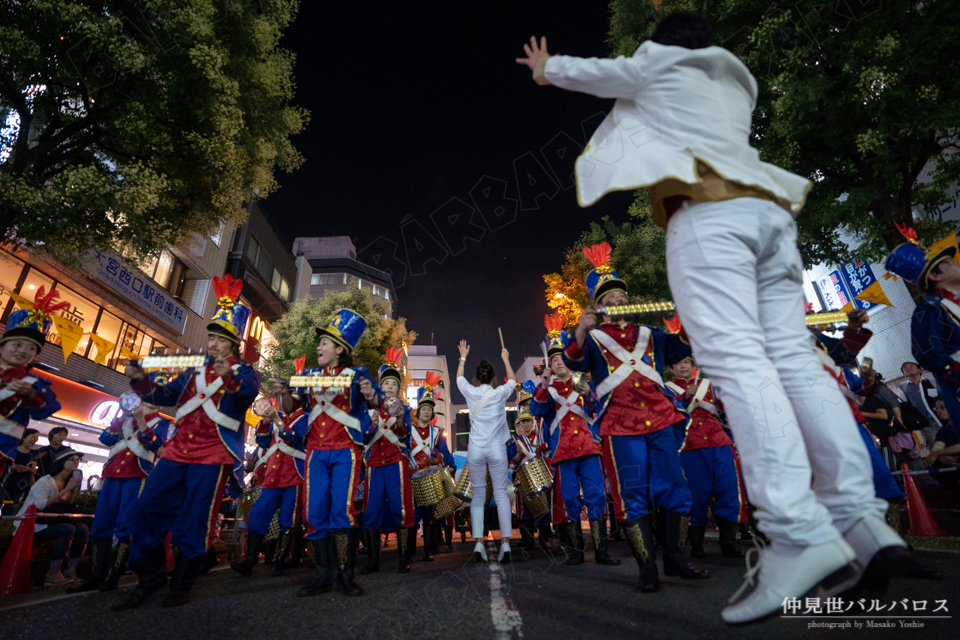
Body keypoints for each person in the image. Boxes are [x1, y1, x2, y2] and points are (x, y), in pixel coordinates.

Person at [518, 12, 923, 623]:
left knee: (742, 369)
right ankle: (863, 523)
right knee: (794, 364)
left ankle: (796, 536)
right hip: (770, 217)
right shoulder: (736, 81)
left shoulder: (661, 63)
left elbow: (608, 74)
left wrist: (550, 70)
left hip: (710, 219)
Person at [558, 242, 706, 593]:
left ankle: (677, 557)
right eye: (608, 299)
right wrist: (581, 329)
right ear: (596, 306)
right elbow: (574, 361)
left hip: (662, 422)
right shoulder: (591, 340)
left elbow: (681, 349)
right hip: (619, 427)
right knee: (632, 494)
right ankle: (647, 566)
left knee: (675, 488)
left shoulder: (651, 335)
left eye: (621, 298)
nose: (617, 303)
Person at [114, 275, 259, 610]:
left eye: (220, 338)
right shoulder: (192, 370)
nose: (211, 342)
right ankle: (149, 578)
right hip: (177, 450)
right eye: (210, 336)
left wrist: (228, 372)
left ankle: (181, 585)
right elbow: (163, 394)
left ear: (234, 343)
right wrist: (140, 382)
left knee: (196, 519)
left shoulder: (245, 371)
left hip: (213, 453)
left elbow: (246, 394)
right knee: (147, 509)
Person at [288, 308, 379, 597]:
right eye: (320, 343)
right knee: (314, 512)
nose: (319, 347)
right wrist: (282, 391)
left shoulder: (357, 374)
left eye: (325, 342)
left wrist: (370, 394)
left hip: (345, 450)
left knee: (342, 511)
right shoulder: (309, 375)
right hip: (315, 450)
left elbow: (376, 400)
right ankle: (322, 576)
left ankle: (346, 575)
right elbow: (291, 406)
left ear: (340, 348)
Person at [531, 312, 618, 567]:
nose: (559, 363)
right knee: (569, 499)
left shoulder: (583, 382)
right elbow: (537, 412)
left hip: (589, 448)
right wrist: (543, 385)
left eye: (562, 358)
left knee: (596, 496)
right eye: (555, 359)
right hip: (563, 452)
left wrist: (588, 394)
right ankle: (575, 551)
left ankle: (601, 550)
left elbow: (597, 410)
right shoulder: (547, 390)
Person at [69, 400, 168, 593]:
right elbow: (105, 438)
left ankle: (113, 577)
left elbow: (156, 445)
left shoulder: (161, 423)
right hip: (113, 474)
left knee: (125, 526)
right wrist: (122, 417)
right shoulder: (125, 418)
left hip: (137, 475)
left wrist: (140, 421)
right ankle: (96, 577)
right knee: (101, 524)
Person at [666, 356, 746, 559]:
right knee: (697, 495)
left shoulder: (709, 385)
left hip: (719, 443)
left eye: (687, 362)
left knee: (728, 490)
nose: (683, 366)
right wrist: (683, 399)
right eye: (679, 362)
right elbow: (663, 415)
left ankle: (728, 542)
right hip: (689, 446)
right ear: (671, 368)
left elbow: (729, 409)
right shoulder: (667, 389)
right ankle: (697, 544)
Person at [231, 383, 306, 578]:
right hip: (273, 476)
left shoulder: (305, 419)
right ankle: (250, 560)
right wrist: (265, 420)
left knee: (288, 520)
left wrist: (274, 419)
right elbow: (263, 442)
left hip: (295, 475)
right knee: (257, 515)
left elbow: (294, 438)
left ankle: (281, 561)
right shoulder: (276, 417)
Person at [457, 340, 517, 563]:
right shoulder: (500, 392)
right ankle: (506, 544)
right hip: (497, 450)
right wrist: (506, 359)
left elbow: (458, 379)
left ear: (477, 377)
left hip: (476, 450)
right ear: (492, 378)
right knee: (501, 495)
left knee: (478, 497)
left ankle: (479, 544)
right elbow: (512, 380)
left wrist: (463, 356)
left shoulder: (470, 392)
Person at [0, 287, 65, 479]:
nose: (23, 351)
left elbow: (46, 409)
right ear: (2, 346)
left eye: (31, 348)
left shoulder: (34, 383)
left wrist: (29, 393)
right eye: (17, 344)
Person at [359, 348, 414, 575]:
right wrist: (371, 423)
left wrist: (400, 418)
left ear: (398, 388)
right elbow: (363, 437)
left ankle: (404, 559)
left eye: (393, 384)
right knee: (371, 511)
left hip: (396, 462)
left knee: (400, 509)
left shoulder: (405, 409)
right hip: (373, 464)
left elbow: (404, 436)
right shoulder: (370, 410)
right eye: (386, 383)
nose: (389, 386)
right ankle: (373, 560)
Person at [16, 448, 87, 586]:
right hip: (32, 523)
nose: (77, 462)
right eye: (73, 459)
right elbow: (41, 504)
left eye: (78, 459)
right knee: (67, 529)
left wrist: (72, 489)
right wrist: (67, 489)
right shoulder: (45, 481)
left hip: (50, 520)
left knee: (82, 529)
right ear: (62, 462)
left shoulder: (67, 481)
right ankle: (53, 572)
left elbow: (67, 503)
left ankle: (71, 569)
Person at [410, 372, 455, 563]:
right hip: (412, 478)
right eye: (423, 409)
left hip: (430, 479)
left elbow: (445, 454)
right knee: (412, 515)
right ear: (418, 411)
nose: (426, 412)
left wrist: (436, 458)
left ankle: (428, 549)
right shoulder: (409, 431)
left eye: (429, 409)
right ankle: (410, 551)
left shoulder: (437, 433)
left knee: (430, 515)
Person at [898, 362, 941, 451]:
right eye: (905, 368)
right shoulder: (903, 388)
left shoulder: (932, 381)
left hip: (941, 419)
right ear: (904, 374)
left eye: (911, 366)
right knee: (935, 449)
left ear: (920, 370)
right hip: (925, 424)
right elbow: (904, 407)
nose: (908, 368)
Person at [924, 400, 960, 501]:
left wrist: (937, 454)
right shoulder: (944, 430)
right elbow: (936, 448)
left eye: (942, 407)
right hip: (956, 461)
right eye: (936, 408)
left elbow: (937, 451)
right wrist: (939, 458)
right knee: (933, 465)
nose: (938, 411)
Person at [1, 428, 39, 505]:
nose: (35, 440)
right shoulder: (12, 449)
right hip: (5, 483)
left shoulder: (33, 453)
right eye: (33, 437)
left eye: (37, 437)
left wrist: (28, 469)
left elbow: (33, 471)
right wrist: (13, 467)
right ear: (24, 437)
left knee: (11, 510)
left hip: (20, 486)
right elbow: (3, 463)